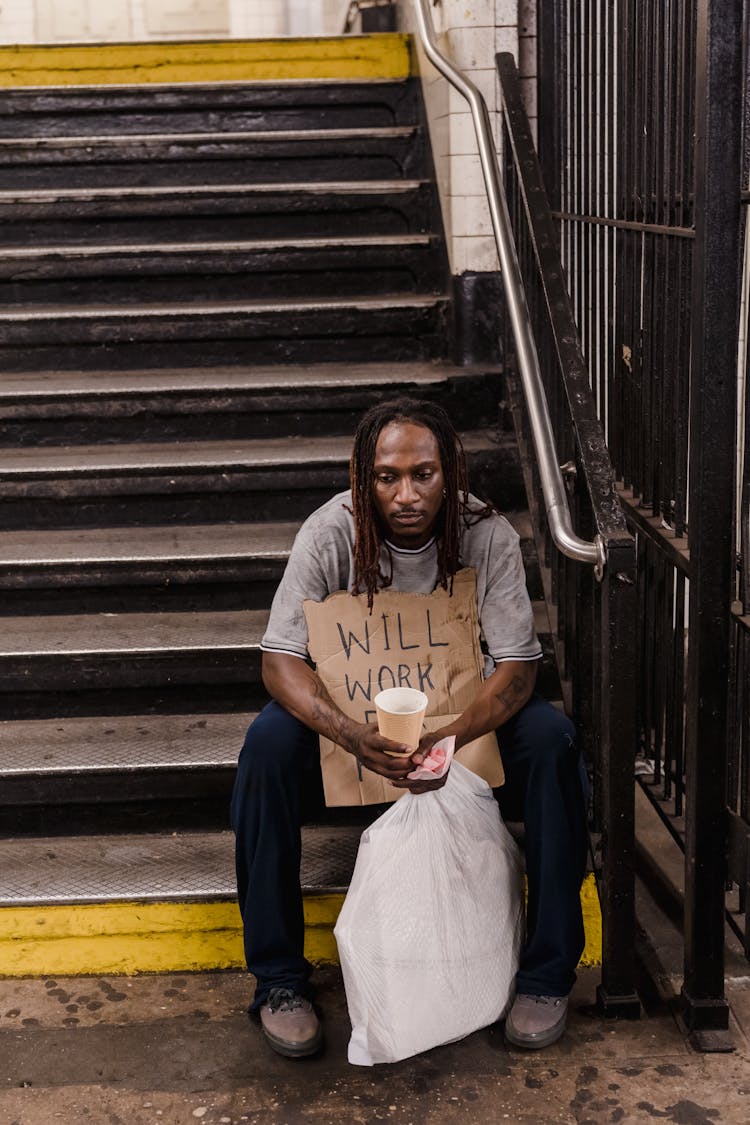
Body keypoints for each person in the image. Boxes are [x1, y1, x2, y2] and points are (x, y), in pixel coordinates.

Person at [230, 397, 589, 1058]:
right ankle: (279, 980)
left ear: (448, 471)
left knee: (552, 741)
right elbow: (278, 660)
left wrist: (454, 731)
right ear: (362, 479)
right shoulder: (329, 532)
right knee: (267, 744)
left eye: (422, 473)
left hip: (462, 721)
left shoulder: (486, 534)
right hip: (356, 730)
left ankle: (546, 974)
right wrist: (346, 732)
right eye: (387, 476)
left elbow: (516, 666)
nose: (405, 493)